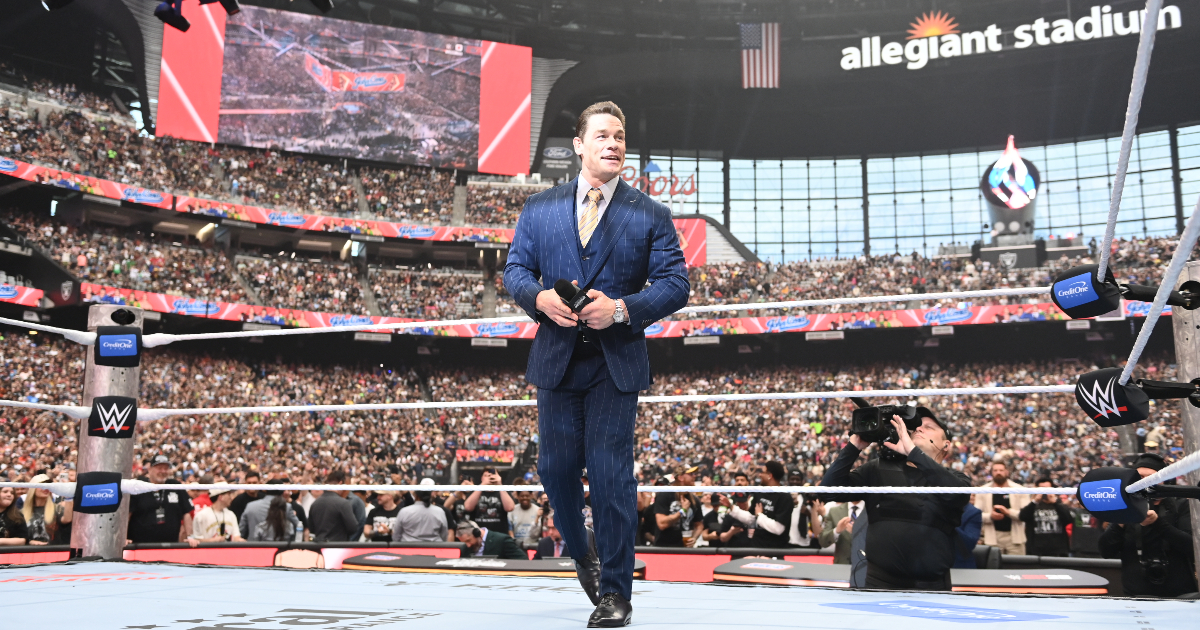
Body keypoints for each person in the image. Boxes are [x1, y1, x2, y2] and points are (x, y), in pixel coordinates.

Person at [504, 100, 690, 627]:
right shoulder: (539, 208)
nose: (614, 143)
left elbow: (676, 283)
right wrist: (539, 298)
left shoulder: (650, 213)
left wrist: (622, 309)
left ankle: (615, 592)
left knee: (611, 477)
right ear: (579, 145)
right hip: (557, 359)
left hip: (615, 362)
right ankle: (582, 551)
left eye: (620, 136)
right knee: (554, 470)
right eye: (603, 135)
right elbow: (515, 270)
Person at [821, 408, 970, 591]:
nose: (919, 429)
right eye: (916, 427)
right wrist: (854, 447)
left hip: (931, 585)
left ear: (946, 445)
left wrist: (913, 452)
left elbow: (956, 495)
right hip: (880, 583)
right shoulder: (878, 469)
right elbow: (829, 491)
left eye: (929, 427)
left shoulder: (956, 480)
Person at [1099, 453, 1197, 597]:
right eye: (1139, 477)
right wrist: (1120, 520)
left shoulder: (1181, 505)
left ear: (1164, 480)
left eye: (1151, 478)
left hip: (1180, 594)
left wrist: (1158, 523)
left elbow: (1192, 547)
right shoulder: (1124, 507)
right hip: (1136, 595)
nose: (1144, 482)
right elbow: (1106, 551)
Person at [728, 461, 794, 549]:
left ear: (769, 475)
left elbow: (778, 529)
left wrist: (760, 515)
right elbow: (751, 518)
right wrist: (731, 507)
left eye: (762, 472)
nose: (760, 475)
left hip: (775, 549)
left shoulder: (785, 497)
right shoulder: (760, 492)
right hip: (757, 546)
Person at [128, 454, 192, 543]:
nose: (163, 471)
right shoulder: (139, 487)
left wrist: (190, 536)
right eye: (159, 468)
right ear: (150, 469)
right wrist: (123, 537)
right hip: (140, 545)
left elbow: (186, 512)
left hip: (170, 545)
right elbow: (127, 514)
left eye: (166, 468)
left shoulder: (175, 486)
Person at [974, 461, 1030, 555]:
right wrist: (990, 516)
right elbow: (976, 515)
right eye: (995, 470)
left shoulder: (1019, 489)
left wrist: (1008, 512)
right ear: (992, 472)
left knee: (1017, 563)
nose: (998, 473)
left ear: (1006, 472)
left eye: (1001, 470)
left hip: (1015, 536)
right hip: (993, 537)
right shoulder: (983, 491)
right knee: (993, 563)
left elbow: (1026, 513)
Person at [1018, 479, 1073, 558]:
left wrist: (1055, 503)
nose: (1045, 492)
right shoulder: (1032, 505)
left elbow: (1068, 519)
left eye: (1047, 489)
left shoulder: (1059, 504)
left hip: (1058, 550)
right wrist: (1035, 501)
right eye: (1042, 489)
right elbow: (1022, 517)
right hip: (1036, 550)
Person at [653, 466, 702, 547]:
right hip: (664, 548)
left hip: (685, 549)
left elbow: (699, 525)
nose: (694, 476)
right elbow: (662, 524)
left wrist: (694, 538)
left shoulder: (694, 500)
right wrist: (682, 511)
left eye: (695, 474)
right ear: (680, 477)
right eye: (691, 474)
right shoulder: (665, 495)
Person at [307, 470, 358, 542]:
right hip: (337, 545)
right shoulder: (343, 503)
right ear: (340, 483)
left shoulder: (315, 503)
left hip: (319, 545)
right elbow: (353, 528)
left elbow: (311, 528)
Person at [463, 468, 513, 537]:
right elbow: (468, 507)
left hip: (499, 535)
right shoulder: (474, 491)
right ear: (481, 478)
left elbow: (510, 508)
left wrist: (500, 484)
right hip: (478, 535)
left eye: (492, 475)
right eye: (486, 475)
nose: (490, 477)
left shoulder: (503, 491)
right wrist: (483, 485)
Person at [22, 473, 71, 545]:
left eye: (48, 485)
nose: (46, 488)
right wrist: (29, 542)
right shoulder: (21, 513)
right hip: (28, 551)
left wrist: (69, 494)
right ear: (33, 489)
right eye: (42, 485)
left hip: (53, 550)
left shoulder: (57, 509)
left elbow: (67, 519)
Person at [819, 497, 865, 564]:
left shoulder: (873, 511)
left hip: (865, 565)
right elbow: (823, 541)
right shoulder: (834, 511)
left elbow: (878, 541)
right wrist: (836, 531)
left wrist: (858, 533)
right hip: (841, 565)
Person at [456, 520, 524, 559]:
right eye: (464, 542)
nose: (468, 545)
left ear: (477, 533)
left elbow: (523, 560)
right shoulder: (465, 548)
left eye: (468, 540)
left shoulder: (502, 541)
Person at [954, 500, 984, 568]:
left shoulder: (972, 512)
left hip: (959, 566)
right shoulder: (931, 508)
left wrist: (948, 523)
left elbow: (969, 544)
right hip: (933, 562)